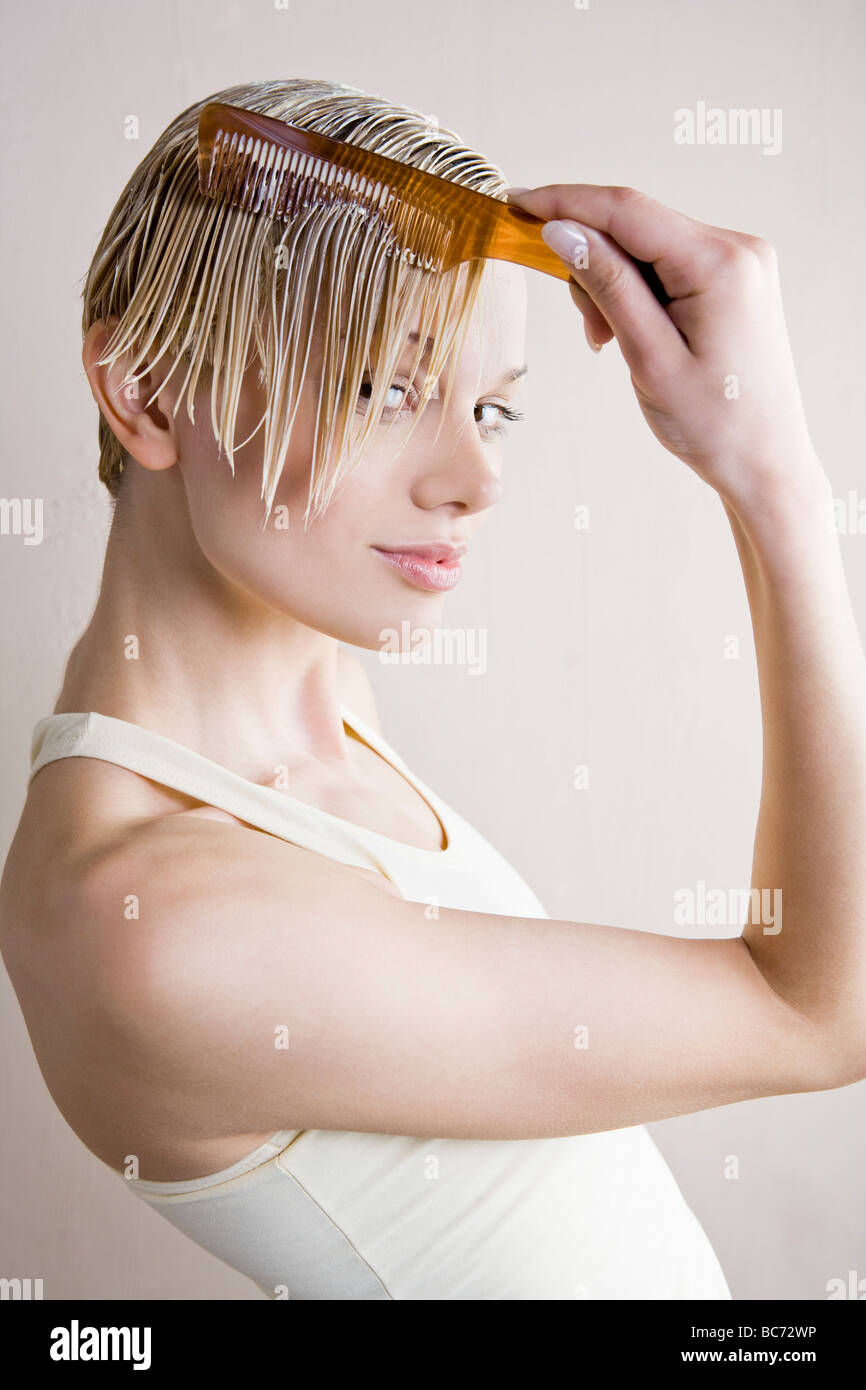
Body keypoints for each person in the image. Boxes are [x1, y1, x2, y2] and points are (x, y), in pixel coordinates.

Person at [2, 78, 864, 1302]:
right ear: (144, 388)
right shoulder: (160, 923)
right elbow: (821, 1012)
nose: (475, 477)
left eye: (490, 404)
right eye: (381, 389)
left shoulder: (305, 693)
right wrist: (770, 470)